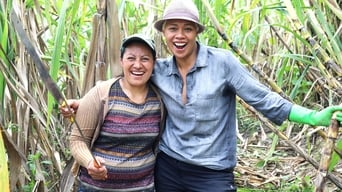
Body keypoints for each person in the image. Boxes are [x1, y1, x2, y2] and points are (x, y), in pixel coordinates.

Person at [62, 0, 342, 191]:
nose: (179, 35)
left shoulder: (223, 64)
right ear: (164, 34)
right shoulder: (159, 69)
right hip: (169, 166)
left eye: (187, 28)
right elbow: (129, 76)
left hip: (213, 171)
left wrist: (312, 116)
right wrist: (85, 102)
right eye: (173, 28)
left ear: (196, 32)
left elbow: (263, 98)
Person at [62, 34, 165, 192]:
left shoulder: (160, 99)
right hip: (96, 188)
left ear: (154, 63)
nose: (137, 65)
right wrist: (90, 162)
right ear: (121, 61)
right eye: (131, 58)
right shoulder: (102, 94)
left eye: (145, 59)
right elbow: (77, 140)